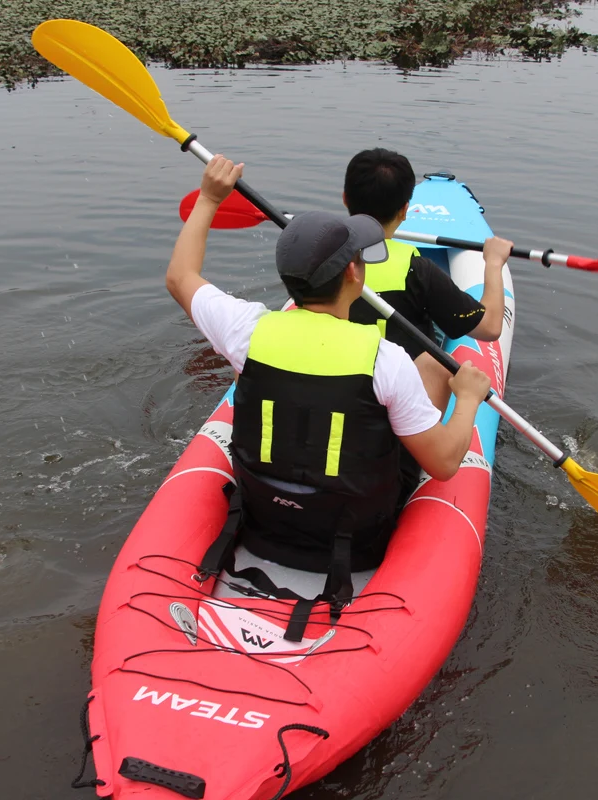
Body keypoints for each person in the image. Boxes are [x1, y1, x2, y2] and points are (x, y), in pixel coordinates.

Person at [166, 155, 491, 635]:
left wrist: (210, 199)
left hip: (264, 520)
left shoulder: (246, 329)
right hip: (356, 538)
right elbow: (443, 465)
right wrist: (467, 398)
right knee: (434, 368)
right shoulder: (386, 360)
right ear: (355, 274)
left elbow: (180, 277)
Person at [343, 148, 513, 411]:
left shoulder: (321, 258)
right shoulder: (417, 271)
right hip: (398, 401)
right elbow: (489, 327)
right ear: (405, 210)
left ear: (345, 199)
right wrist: (493, 263)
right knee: (437, 364)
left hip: (340, 383)